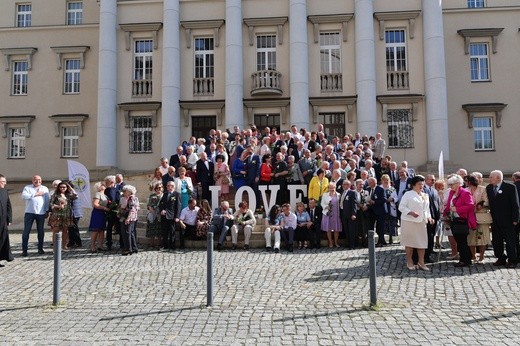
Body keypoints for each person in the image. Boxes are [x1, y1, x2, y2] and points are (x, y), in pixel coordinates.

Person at [399, 175, 434, 271]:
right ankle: (409, 261)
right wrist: (410, 212)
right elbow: (401, 207)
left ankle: (421, 262)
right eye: (419, 184)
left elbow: (426, 209)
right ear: (413, 185)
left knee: (422, 242)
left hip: (421, 222)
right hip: (409, 221)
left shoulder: (425, 195)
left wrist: (429, 217)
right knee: (410, 242)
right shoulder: (408, 194)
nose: (421, 186)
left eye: (422, 184)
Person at [486, 170, 520, 268]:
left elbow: (515, 204)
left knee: (510, 241)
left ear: (498, 177)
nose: (489, 179)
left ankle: (512, 260)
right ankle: (500, 258)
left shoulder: (510, 187)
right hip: (495, 220)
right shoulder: (489, 188)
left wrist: (515, 219)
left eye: (491, 177)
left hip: (508, 220)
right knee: (497, 241)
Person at [444, 174, 476, 267]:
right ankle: (466, 258)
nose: (450, 186)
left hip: (462, 220)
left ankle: (464, 260)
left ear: (458, 184)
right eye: (449, 185)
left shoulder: (465, 193)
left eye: (452, 184)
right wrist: (445, 213)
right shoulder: (451, 192)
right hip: (454, 219)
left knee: (462, 241)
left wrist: (457, 209)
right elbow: (449, 205)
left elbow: (470, 205)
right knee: (459, 240)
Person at [21, 175, 50, 256]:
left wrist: (47, 211)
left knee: (40, 231)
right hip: (29, 212)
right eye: (35, 180)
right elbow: (23, 196)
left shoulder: (44, 188)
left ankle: (40, 248)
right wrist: (35, 194)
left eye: (39, 180)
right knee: (26, 231)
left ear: (41, 180)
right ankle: (24, 250)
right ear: (32, 180)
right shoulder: (28, 188)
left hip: (41, 213)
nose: (37, 181)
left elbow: (47, 200)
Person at [466, 173, 491, 264]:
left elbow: (487, 201)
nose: (466, 182)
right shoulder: (466, 190)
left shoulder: (483, 189)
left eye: (467, 181)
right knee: (471, 237)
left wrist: (482, 204)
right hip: (470, 216)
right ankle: (473, 255)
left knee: (482, 236)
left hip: (481, 216)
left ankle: (482, 256)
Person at [47, 182, 77, 251]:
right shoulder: (55, 195)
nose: (62, 188)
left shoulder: (68, 195)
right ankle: (55, 248)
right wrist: (58, 206)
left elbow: (76, 196)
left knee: (65, 231)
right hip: (57, 215)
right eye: (61, 187)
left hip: (66, 215)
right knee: (56, 231)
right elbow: (51, 204)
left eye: (64, 187)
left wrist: (70, 188)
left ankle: (64, 246)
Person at [159, 181, 182, 250]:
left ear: (174, 186)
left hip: (172, 216)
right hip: (164, 215)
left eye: (171, 186)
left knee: (172, 232)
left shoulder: (177, 194)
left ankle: (172, 246)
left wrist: (177, 216)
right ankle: (165, 245)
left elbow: (178, 206)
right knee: (164, 231)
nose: (170, 187)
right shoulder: (165, 194)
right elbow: (161, 203)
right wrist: (162, 210)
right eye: (168, 186)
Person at [119, 185, 140, 256]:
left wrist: (128, 218)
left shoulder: (133, 199)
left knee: (127, 233)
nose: (124, 192)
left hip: (130, 217)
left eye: (126, 191)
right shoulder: (122, 198)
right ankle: (134, 248)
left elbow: (132, 209)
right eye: (124, 191)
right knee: (129, 233)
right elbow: (120, 207)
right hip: (123, 217)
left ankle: (128, 249)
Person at [88, 182, 108, 253]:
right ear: (99, 187)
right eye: (102, 185)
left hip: (103, 213)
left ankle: (100, 245)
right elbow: (95, 204)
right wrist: (104, 208)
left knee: (102, 230)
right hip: (97, 213)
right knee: (95, 230)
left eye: (104, 185)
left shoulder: (104, 195)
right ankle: (92, 246)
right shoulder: (97, 194)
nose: (104, 186)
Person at [321, 182, 342, 248]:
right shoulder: (325, 195)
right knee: (328, 228)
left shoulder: (338, 195)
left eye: (333, 188)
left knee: (336, 229)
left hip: (336, 213)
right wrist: (326, 206)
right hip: (328, 213)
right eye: (330, 188)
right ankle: (330, 242)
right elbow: (322, 203)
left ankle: (336, 242)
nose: (331, 190)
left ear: (335, 188)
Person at [340, 180, 358, 250]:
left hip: (350, 214)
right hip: (343, 213)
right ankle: (348, 243)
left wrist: (354, 214)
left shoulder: (352, 193)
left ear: (349, 185)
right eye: (343, 184)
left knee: (351, 230)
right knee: (346, 229)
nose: (343, 186)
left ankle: (352, 244)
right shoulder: (342, 192)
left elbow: (354, 204)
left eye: (345, 184)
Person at [0, 174, 13, 267]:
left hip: (3, 220)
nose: (4, 183)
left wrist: (9, 218)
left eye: (5, 182)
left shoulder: (5, 191)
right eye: (2, 182)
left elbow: (8, 206)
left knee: (3, 238)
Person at [146, 183, 164, 248]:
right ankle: (151, 243)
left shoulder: (163, 195)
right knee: (152, 229)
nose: (158, 189)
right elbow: (149, 205)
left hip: (160, 214)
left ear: (162, 188)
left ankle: (159, 244)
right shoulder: (152, 195)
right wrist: (153, 212)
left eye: (160, 188)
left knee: (159, 230)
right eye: (157, 188)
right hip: (153, 213)